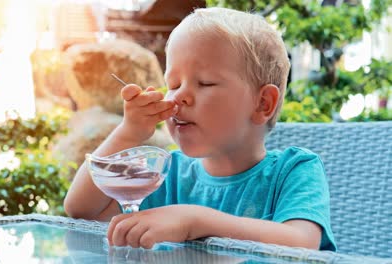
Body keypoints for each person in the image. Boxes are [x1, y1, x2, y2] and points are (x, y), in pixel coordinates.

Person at [64, 7, 336, 251]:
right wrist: (129, 131)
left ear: (262, 103)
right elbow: (82, 209)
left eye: (204, 83)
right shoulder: (168, 175)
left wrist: (196, 220)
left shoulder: (294, 170)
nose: (178, 97)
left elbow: (303, 241)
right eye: (173, 84)